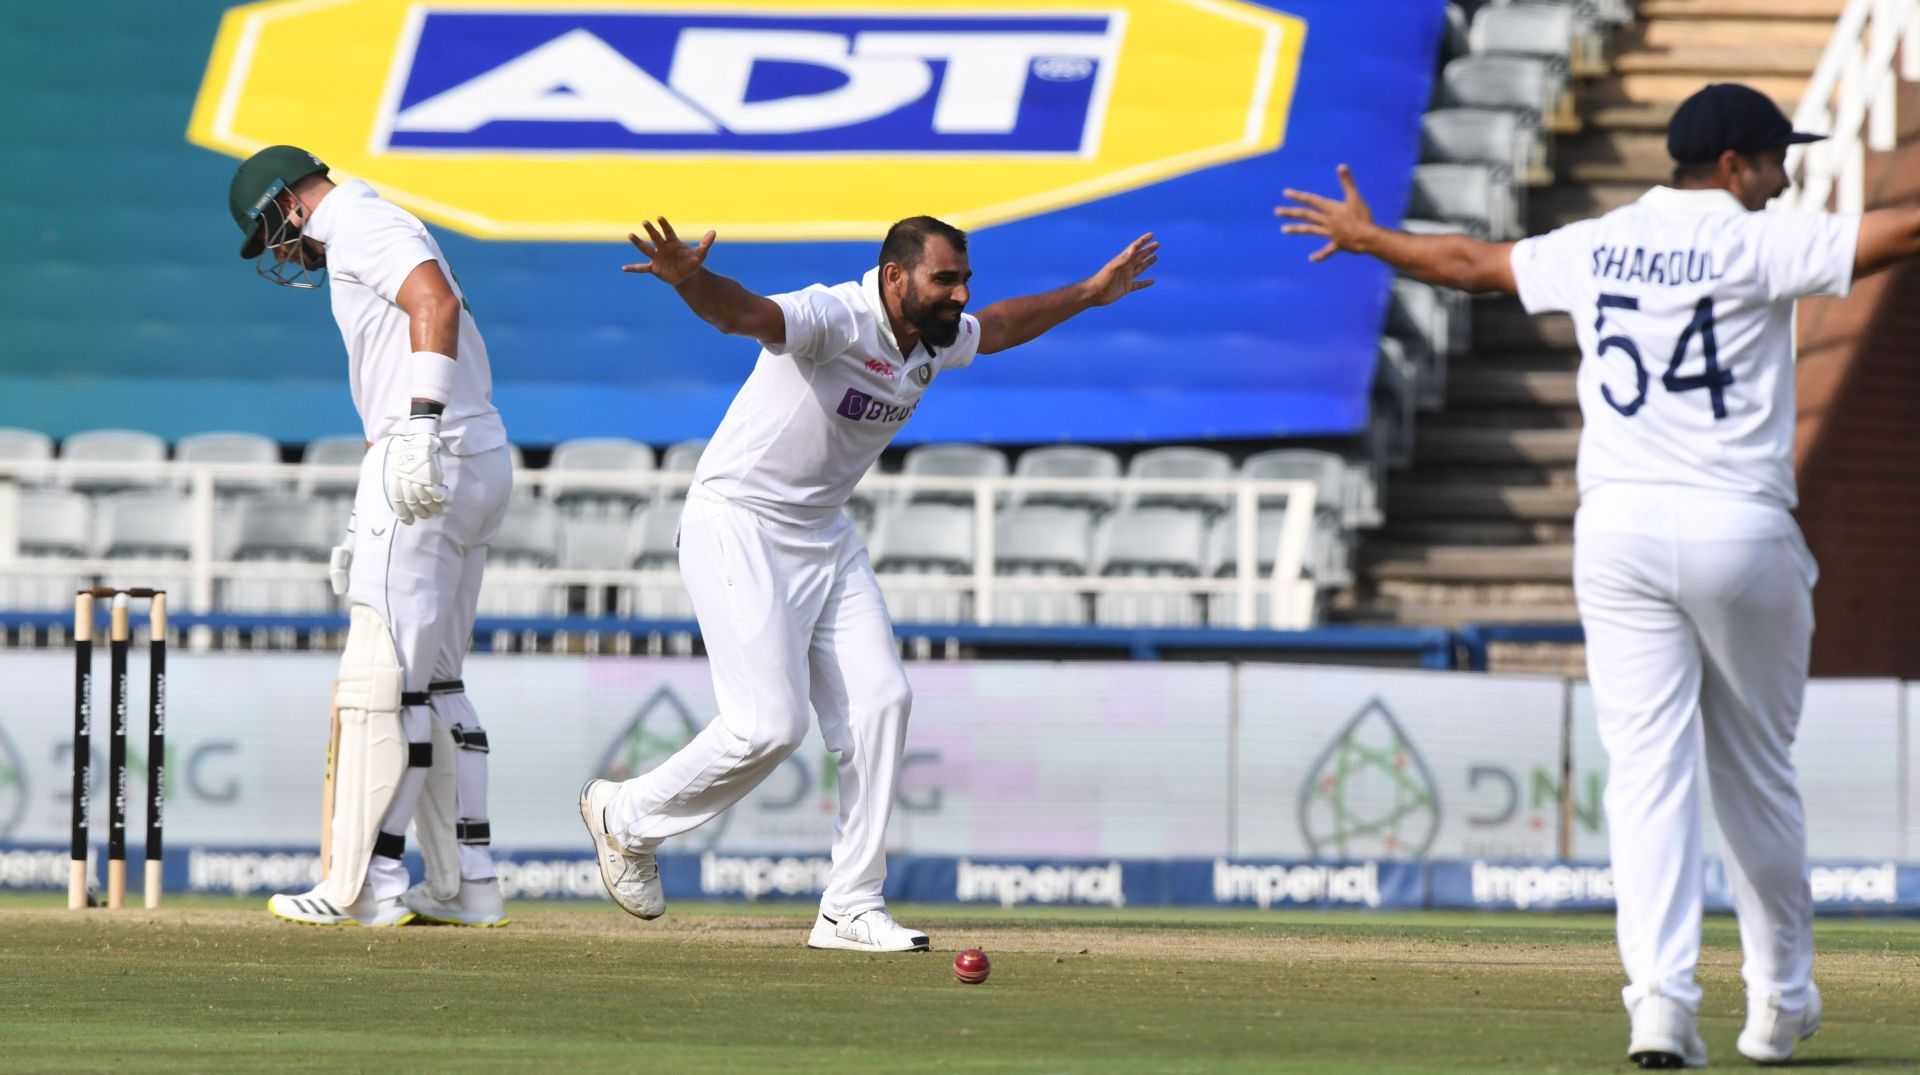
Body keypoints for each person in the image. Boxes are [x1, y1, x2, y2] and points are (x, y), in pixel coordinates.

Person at [1276, 83, 1920, 1068]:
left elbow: (1466, 263)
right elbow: (1898, 235)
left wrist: (1373, 240)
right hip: (1737, 525)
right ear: (1735, 166)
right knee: (1755, 773)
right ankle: (1779, 1003)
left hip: (1617, 528)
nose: (1787, 171)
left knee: (1647, 775)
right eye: (1777, 156)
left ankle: (1659, 1003)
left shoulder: (1600, 239)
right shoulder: (1758, 239)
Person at [579, 215, 1157, 951]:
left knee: (884, 700)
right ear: (895, 277)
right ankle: (623, 817)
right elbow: (746, 314)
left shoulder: (935, 340)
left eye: (965, 278)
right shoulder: (835, 317)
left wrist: (1088, 292)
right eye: (946, 279)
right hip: (739, 519)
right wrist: (692, 280)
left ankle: (850, 904)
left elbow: (1003, 326)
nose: (961, 293)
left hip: (823, 532)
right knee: (768, 726)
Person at [227, 145, 513, 928]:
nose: (284, 256)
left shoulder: (353, 219)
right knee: (437, 681)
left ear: (287, 203)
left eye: (274, 237)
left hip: (427, 455)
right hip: (477, 455)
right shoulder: (374, 219)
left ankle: (361, 884)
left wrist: (417, 431)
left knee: (378, 681)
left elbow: (435, 303)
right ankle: (469, 883)